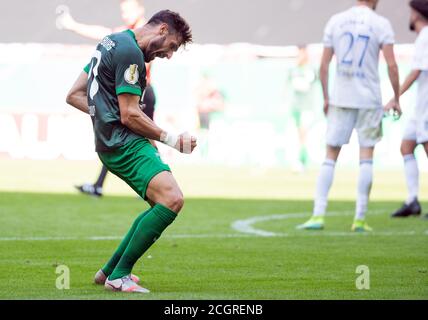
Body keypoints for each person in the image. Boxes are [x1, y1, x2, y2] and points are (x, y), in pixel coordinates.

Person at [66, 10, 196, 293]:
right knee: (172, 199)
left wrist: (103, 112)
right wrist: (173, 140)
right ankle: (119, 275)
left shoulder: (111, 42)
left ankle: (109, 271)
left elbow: (74, 94)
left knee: (160, 201)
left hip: (110, 143)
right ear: (162, 30)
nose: (169, 55)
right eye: (172, 46)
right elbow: (129, 114)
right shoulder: (131, 53)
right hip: (124, 142)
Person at [297, 0, 400, 232]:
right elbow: (392, 65)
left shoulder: (336, 21)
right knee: (366, 156)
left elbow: (324, 65)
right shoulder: (381, 23)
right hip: (369, 99)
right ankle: (360, 219)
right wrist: (396, 97)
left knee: (330, 155)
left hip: (341, 97)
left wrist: (325, 97)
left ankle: (318, 215)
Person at [57, 0, 156, 197]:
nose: (125, 13)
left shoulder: (143, 32)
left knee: (143, 138)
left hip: (139, 93)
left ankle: (159, 182)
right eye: (123, 10)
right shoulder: (128, 32)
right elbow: (105, 34)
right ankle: (101, 185)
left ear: (140, 9)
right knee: (128, 137)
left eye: (128, 9)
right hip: (131, 92)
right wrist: (74, 25)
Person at [388, 0, 428, 218]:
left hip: (426, 106)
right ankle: (412, 200)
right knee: (406, 147)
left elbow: (415, 72)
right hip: (421, 105)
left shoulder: (426, 36)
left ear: (418, 14)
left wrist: (395, 97)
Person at [288, 45, 318, 171]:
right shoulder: (293, 69)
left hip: (306, 107)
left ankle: (302, 161)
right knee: (297, 135)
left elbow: (306, 85)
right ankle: (299, 160)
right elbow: (291, 84)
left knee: (303, 133)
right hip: (296, 107)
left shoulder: (310, 69)